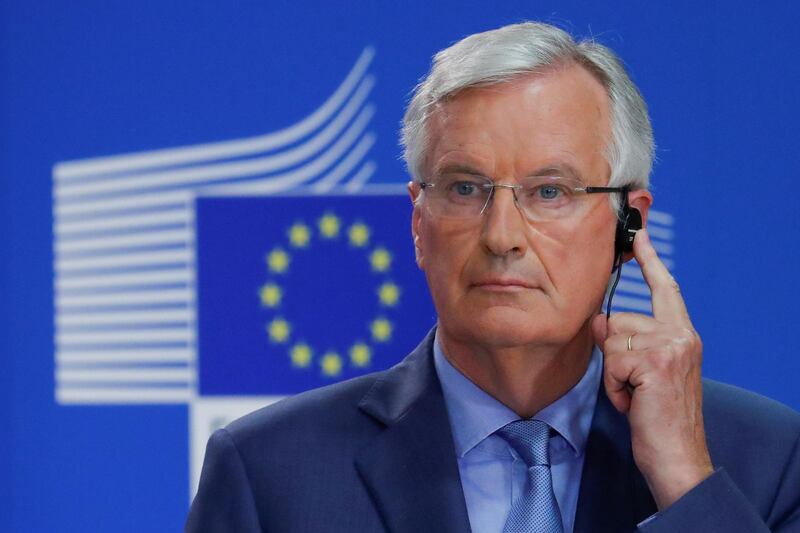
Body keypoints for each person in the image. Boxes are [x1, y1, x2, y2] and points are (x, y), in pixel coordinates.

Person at [186, 22, 800, 532]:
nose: (501, 235)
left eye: (550, 191)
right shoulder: (268, 474)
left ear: (627, 227)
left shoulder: (767, 461)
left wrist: (687, 484)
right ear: (418, 224)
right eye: (464, 188)